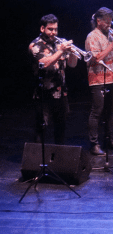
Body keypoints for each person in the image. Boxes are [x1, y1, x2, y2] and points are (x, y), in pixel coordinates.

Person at [85, 7, 113, 156]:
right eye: (107, 22)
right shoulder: (92, 37)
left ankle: (109, 140)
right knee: (97, 111)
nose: (109, 25)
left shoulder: (112, 34)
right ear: (99, 21)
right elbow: (96, 58)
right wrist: (111, 46)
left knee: (110, 111)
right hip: (98, 79)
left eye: (111, 22)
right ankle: (94, 144)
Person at [28, 14, 78, 145]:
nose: (53, 32)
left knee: (60, 126)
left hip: (61, 92)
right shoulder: (35, 45)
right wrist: (61, 51)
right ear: (42, 28)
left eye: (55, 29)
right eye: (50, 29)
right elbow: (45, 63)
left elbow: (72, 64)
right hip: (43, 93)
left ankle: (58, 158)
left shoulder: (59, 42)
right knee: (41, 127)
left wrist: (73, 52)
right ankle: (38, 159)